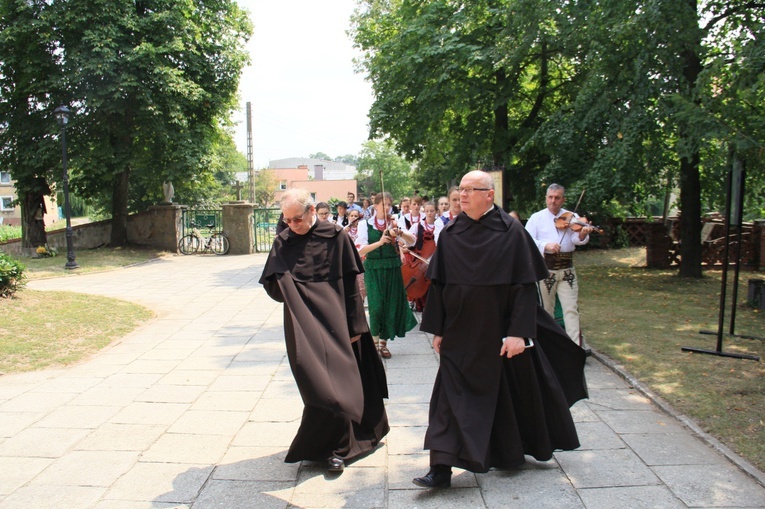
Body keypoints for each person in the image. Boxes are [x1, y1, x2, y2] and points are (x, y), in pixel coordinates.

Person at [413, 170, 587, 488]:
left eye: (470, 190)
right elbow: (439, 285)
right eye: (460, 190)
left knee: (508, 393)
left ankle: (509, 451)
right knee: (448, 397)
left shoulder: (511, 231)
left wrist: (518, 332)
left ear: (489, 194)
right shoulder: (451, 232)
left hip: (499, 329)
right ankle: (441, 466)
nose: (462, 195)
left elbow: (523, 287)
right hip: (460, 330)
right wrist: (438, 329)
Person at [259, 189, 389, 473]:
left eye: (297, 219)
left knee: (340, 383)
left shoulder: (336, 236)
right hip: (302, 325)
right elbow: (275, 290)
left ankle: (340, 449)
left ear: (311, 212)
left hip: (337, 321)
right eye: (287, 220)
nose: (293, 225)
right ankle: (322, 443)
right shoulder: (283, 242)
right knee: (314, 381)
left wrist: (356, 325)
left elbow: (351, 283)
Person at [524, 183, 593, 347]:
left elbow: (577, 240)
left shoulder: (572, 216)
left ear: (563, 200)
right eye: (550, 197)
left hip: (567, 269)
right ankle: (550, 347)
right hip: (546, 269)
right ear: (546, 198)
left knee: (571, 309)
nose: (553, 201)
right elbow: (526, 239)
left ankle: (574, 347)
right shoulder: (536, 218)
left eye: (557, 198)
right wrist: (545, 245)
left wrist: (583, 233)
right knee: (547, 311)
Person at [357, 191, 418, 359]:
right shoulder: (365, 224)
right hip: (374, 267)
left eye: (389, 204)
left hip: (392, 267)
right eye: (383, 204)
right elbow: (360, 249)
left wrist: (399, 233)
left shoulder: (395, 221)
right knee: (376, 307)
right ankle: (374, 343)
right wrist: (379, 242)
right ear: (375, 205)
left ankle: (383, 344)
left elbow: (412, 240)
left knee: (390, 305)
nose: (386, 208)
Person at [403, 201, 442, 311]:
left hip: (436, 259)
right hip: (420, 259)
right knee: (419, 278)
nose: (429, 213)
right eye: (427, 211)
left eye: (432, 211)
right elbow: (411, 241)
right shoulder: (417, 225)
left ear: (436, 212)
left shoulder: (439, 225)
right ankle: (417, 302)